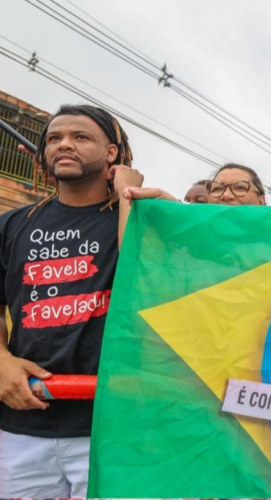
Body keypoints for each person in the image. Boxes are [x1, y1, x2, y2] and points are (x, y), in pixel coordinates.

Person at [0, 104, 143, 497]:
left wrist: (127, 193)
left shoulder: (139, 217)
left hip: (112, 426)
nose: (64, 144)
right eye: (54, 138)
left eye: (80, 137)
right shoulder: (13, 225)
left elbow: (139, 275)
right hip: (21, 427)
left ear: (112, 153)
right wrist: (2, 361)